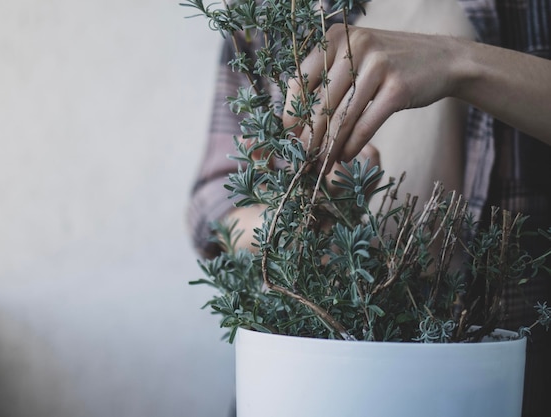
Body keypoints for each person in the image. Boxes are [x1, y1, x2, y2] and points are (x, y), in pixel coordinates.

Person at [187, 1, 551, 416]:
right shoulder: (269, 9)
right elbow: (215, 203)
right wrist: (301, 217)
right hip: (308, 372)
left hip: (482, 373)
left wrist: (459, 60)